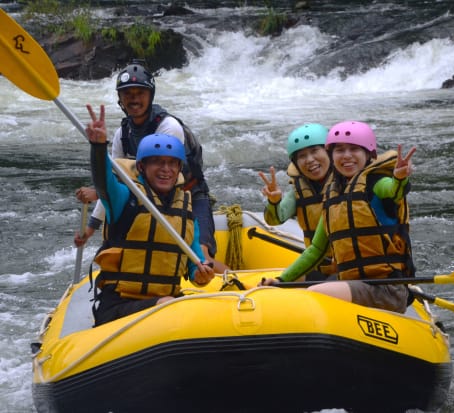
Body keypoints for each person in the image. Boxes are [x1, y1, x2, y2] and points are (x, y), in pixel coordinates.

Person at [75, 60, 228, 273]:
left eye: (140, 93)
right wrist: (92, 227)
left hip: (188, 198)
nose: (134, 99)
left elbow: (151, 177)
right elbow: (115, 178)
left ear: (150, 96)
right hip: (148, 203)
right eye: (128, 94)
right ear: (120, 99)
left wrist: (97, 192)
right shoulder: (123, 134)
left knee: (202, 255)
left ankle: (238, 284)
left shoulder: (168, 127)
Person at [261, 121, 416, 314]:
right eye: (339, 150)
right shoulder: (333, 198)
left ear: (368, 154)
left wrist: (400, 178)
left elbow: (393, 191)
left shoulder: (376, 183)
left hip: (385, 288)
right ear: (332, 155)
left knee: (315, 294)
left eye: (354, 149)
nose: (347, 156)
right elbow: (316, 250)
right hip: (351, 282)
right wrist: (282, 281)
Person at [85, 104, 215, 326]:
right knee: (167, 304)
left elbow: (195, 263)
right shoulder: (126, 197)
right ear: (143, 167)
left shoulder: (185, 209)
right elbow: (103, 181)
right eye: (157, 162)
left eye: (172, 163)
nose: (166, 169)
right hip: (119, 305)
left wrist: (200, 274)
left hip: (166, 302)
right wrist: (98, 147)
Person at [258, 123, 335, 279]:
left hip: (348, 265)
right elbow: (274, 220)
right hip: (316, 263)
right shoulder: (298, 192)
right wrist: (274, 202)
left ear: (329, 153)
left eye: (314, 151)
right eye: (302, 156)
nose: (309, 160)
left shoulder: (347, 185)